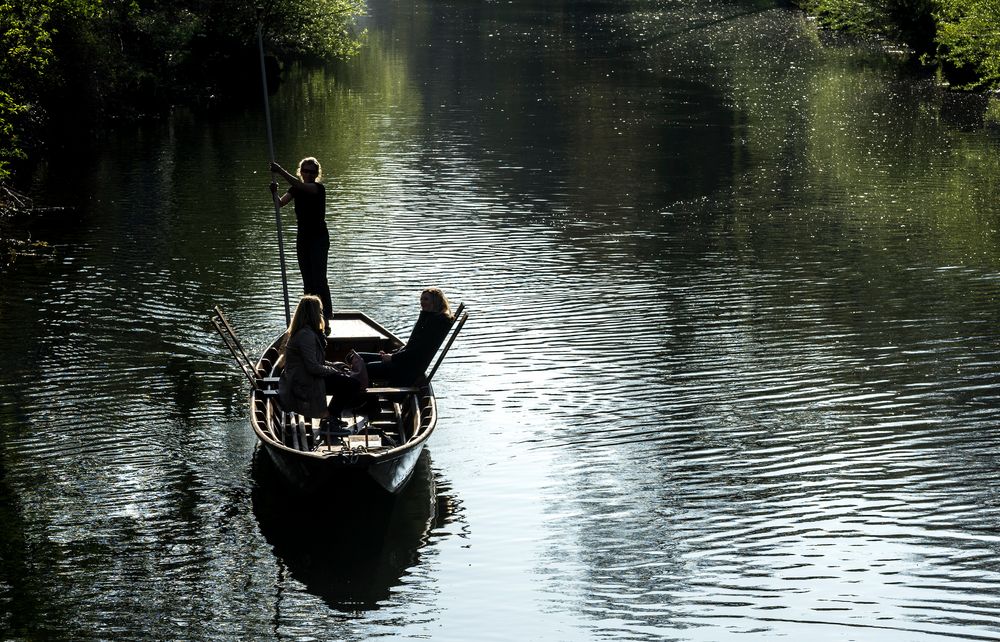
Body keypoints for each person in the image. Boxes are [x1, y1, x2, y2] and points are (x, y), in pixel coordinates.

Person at [277, 295, 366, 435]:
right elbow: (313, 367)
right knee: (351, 384)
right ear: (313, 313)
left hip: (306, 375)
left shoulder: (307, 332)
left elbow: (316, 362)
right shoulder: (306, 335)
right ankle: (329, 422)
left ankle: (332, 418)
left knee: (344, 379)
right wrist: (333, 371)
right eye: (319, 311)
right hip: (304, 380)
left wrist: (335, 366)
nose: (321, 314)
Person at [270, 157, 334, 334]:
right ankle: (310, 319)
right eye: (305, 171)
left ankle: (326, 318)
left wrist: (280, 171)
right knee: (307, 280)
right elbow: (279, 204)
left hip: (319, 238)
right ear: (301, 171)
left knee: (319, 279)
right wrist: (274, 193)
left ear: (317, 174)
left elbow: (303, 187)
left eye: (312, 172)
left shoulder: (317, 188)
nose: (308, 174)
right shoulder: (296, 188)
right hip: (303, 238)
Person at [358, 288, 455, 386]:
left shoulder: (436, 323)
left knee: (365, 368)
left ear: (436, 301)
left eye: (426, 299)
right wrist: (392, 354)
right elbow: (411, 345)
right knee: (356, 357)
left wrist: (392, 358)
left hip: (407, 368)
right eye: (421, 299)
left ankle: (368, 399)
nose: (422, 302)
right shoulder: (428, 318)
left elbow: (417, 352)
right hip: (403, 360)